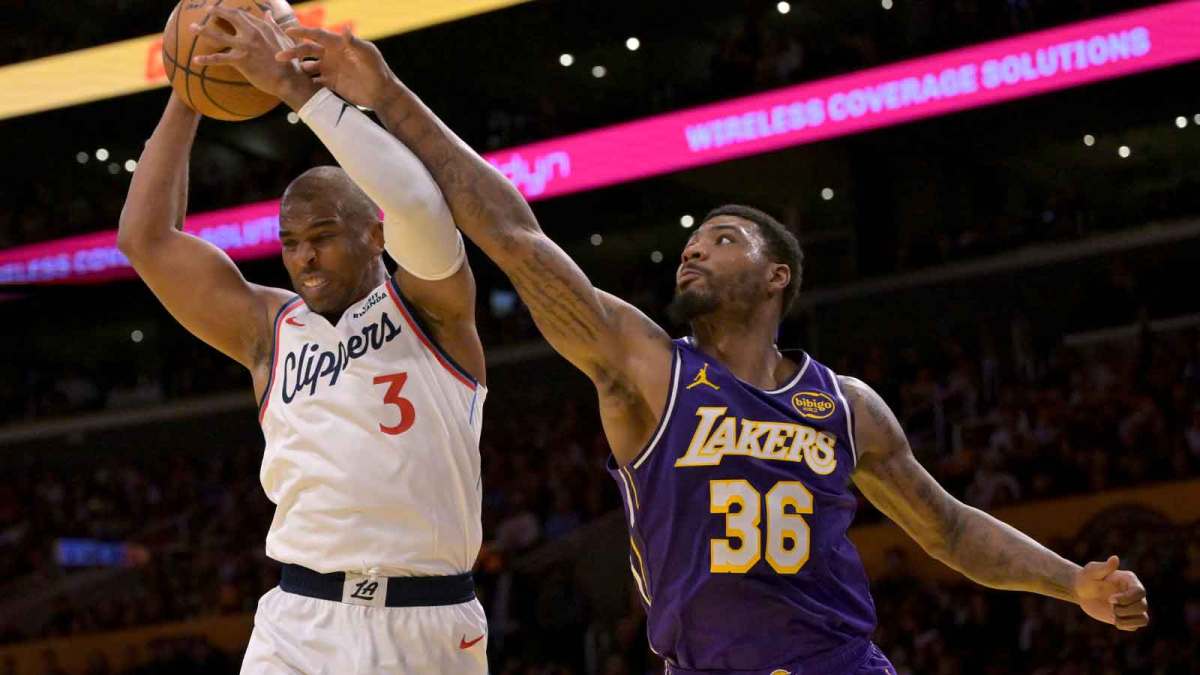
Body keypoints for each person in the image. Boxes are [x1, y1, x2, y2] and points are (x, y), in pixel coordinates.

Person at [217, 15, 1148, 674]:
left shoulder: (846, 404)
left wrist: (1074, 584)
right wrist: (388, 98)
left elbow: (947, 528)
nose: (694, 246)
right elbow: (512, 235)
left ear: (779, 273)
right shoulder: (649, 370)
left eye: (724, 237)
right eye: (691, 237)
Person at [118, 3, 490, 672]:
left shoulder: (433, 306)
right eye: (291, 244)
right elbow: (146, 241)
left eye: (322, 238)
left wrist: (300, 92)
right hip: (298, 615)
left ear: (372, 235)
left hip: (421, 620)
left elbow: (417, 206)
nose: (305, 259)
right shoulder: (270, 328)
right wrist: (189, 88)